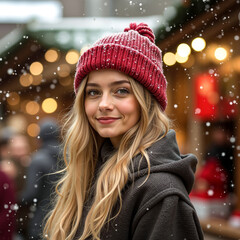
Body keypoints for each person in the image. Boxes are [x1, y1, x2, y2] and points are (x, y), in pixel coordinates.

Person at [43, 23, 203, 240]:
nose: (104, 104)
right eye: (93, 92)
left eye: (121, 91)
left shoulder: (160, 193)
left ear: (146, 101)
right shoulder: (89, 175)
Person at [20, 118, 61, 239]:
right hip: (64, 218)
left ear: (40, 138)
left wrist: (14, 199)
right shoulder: (68, 156)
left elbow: (31, 193)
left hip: (42, 219)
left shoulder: (38, 159)